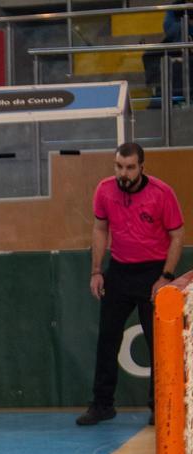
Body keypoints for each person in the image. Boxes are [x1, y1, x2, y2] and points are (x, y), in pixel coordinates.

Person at [78, 142, 185, 426]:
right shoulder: (104, 190)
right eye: (118, 167)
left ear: (141, 167)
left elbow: (177, 235)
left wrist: (166, 277)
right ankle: (102, 405)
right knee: (107, 339)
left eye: (129, 168)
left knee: (157, 343)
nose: (123, 173)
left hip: (154, 273)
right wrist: (97, 271)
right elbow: (100, 229)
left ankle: (159, 407)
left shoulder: (162, 193)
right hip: (120, 271)